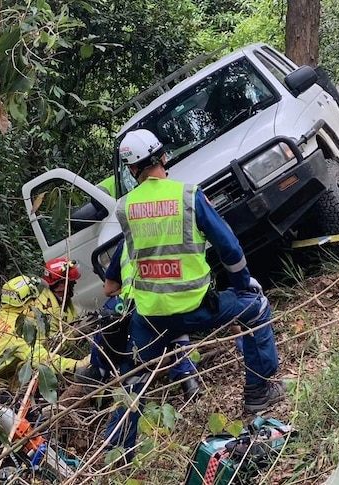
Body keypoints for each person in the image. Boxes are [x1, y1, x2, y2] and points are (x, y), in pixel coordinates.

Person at [104, 128, 283, 455]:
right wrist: (244, 284)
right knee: (256, 307)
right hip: (195, 306)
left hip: (151, 317)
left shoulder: (125, 208)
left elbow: (124, 260)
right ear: (164, 157)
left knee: (133, 380)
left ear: (132, 171)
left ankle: (116, 450)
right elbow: (229, 248)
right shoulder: (188, 196)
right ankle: (259, 392)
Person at [83, 241, 203, 402]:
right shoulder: (168, 233)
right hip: (169, 300)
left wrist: (129, 286)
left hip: (133, 304)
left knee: (110, 316)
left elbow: (108, 289)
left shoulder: (125, 243)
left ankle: (100, 373)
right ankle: (188, 379)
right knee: (173, 325)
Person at [0, 275, 84, 394]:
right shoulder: (16, 332)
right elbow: (42, 359)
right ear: (28, 302)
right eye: (35, 299)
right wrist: (78, 365)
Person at [35, 257, 81, 339]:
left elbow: (74, 318)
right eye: (72, 282)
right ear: (62, 283)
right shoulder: (47, 311)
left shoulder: (62, 298)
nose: (75, 283)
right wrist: (75, 333)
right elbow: (50, 345)